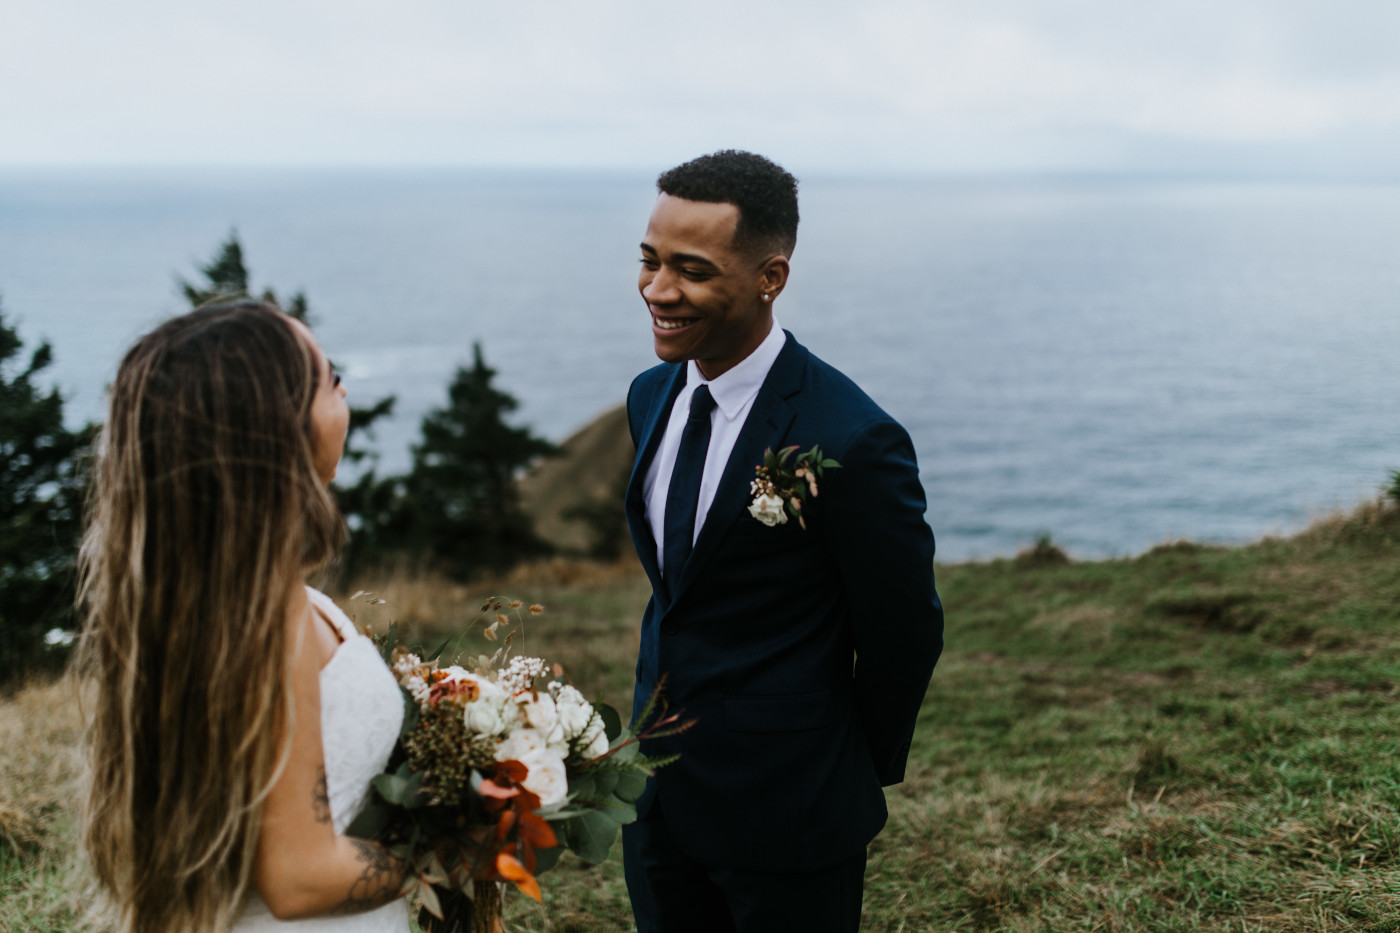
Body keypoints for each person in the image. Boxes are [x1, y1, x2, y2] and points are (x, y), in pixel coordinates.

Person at [620, 150, 944, 932]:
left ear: (771, 276)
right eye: (650, 261)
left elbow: (904, 632)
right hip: (656, 795)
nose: (659, 290)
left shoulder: (852, 437)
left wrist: (837, 766)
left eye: (691, 270)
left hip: (791, 811)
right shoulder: (650, 395)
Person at [76, 300, 411, 933]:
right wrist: (461, 849)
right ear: (280, 430)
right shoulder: (270, 618)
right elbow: (298, 880)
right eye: (331, 379)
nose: (345, 393)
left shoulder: (200, 598)